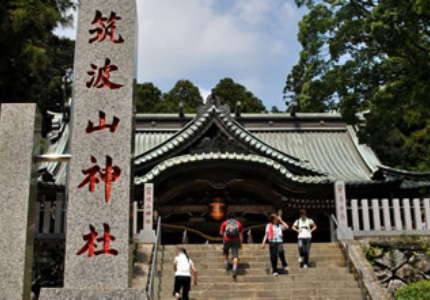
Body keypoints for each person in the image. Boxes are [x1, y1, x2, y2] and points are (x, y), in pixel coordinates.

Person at [220, 212, 244, 280]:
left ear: (228, 217)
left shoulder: (225, 223)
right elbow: (241, 234)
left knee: (225, 252)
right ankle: (234, 268)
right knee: (235, 255)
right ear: (235, 217)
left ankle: (226, 264)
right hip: (236, 240)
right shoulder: (238, 223)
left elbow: (221, 233)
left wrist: (224, 233)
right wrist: (241, 244)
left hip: (227, 240)